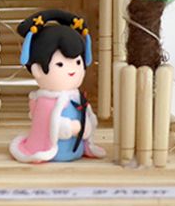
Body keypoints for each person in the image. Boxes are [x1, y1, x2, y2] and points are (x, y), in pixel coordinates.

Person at [9, 9, 106, 163]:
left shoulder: (76, 96)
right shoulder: (45, 102)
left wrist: (87, 126)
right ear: (38, 70)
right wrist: (70, 127)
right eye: (60, 64)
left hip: (76, 148)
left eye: (78, 62)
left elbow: (86, 116)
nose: (72, 69)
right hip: (51, 150)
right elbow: (47, 125)